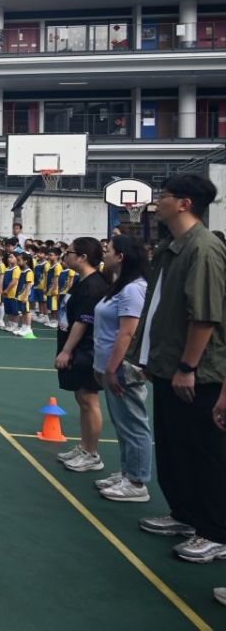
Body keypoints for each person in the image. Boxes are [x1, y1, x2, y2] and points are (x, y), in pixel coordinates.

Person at [130, 174, 226, 565]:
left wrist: (188, 366)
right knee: (174, 448)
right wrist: (152, 359)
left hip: (197, 373)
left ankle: (216, 531)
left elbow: (204, 316)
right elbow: (158, 311)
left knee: (205, 452)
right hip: (168, 366)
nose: (157, 202)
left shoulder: (203, 248)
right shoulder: (171, 247)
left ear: (185, 203)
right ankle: (185, 514)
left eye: (164, 196)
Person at [93, 235, 152, 502]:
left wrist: (112, 368)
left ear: (121, 256)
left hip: (122, 367)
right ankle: (128, 472)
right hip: (110, 364)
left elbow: (127, 333)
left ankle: (137, 482)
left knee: (133, 423)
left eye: (109, 250)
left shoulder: (133, 289)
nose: (104, 254)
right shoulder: (120, 286)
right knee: (122, 423)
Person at [53, 238, 109, 473]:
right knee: (82, 398)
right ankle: (85, 446)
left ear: (83, 257)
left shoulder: (93, 286)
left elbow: (82, 322)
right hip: (77, 348)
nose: (65, 256)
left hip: (86, 350)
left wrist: (67, 351)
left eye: (70, 252)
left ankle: (92, 453)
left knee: (89, 399)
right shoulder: (82, 282)